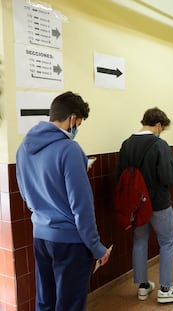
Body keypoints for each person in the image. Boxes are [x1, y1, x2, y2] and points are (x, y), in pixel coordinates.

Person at [16, 91, 112, 311]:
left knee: (45, 301)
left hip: (40, 236)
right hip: (70, 242)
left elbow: (25, 194)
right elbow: (82, 208)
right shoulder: (70, 149)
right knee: (69, 305)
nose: (77, 128)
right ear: (72, 118)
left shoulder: (23, 149)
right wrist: (97, 247)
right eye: (79, 122)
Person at [117, 107, 173, 304]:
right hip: (158, 204)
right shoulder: (159, 145)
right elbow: (169, 178)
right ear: (158, 125)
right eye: (162, 128)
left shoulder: (126, 144)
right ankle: (166, 288)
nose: (161, 132)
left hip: (136, 206)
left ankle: (143, 286)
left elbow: (120, 178)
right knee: (167, 241)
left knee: (140, 241)